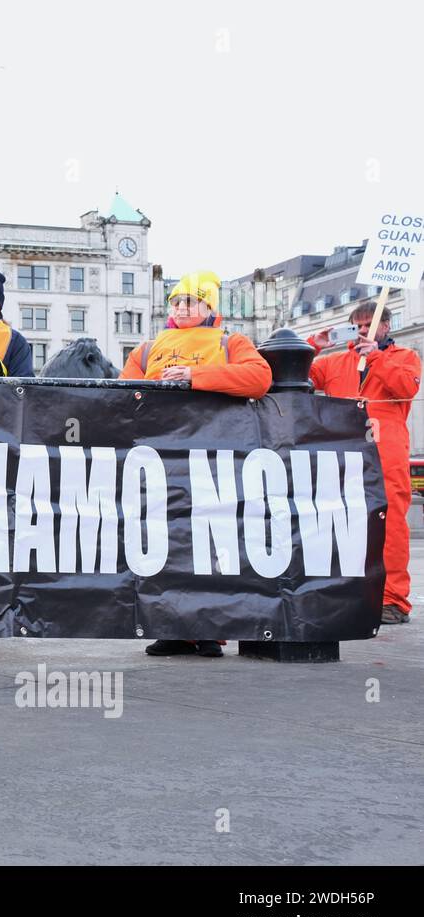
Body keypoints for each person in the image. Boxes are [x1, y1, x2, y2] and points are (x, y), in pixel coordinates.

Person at [120, 270, 272, 657]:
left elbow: (259, 378)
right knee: (164, 544)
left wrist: (194, 376)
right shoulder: (146, 348)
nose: (183, 308)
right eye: (177, 301)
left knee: (211, 545)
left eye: (192, 300)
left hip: (213, 457)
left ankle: (208, 629)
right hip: (160, 457)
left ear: (209, 306)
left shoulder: (230, 341)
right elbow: (122, 394)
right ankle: (171, 627)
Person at [308, 302, 420, 624]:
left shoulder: (404, 358)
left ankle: (393, 600)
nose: (361, 330)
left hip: (387, 451)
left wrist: (375, 357)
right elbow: (295, 375)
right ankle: (346, 593)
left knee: (392, 524)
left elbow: (405, 387)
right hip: (343, 450)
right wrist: (314, 345)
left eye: (368, 324)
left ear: (386, 326)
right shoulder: (334, 362)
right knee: (342, 522)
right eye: (356, 325)